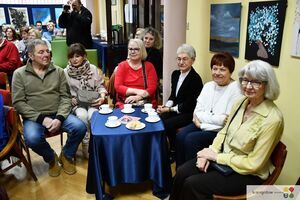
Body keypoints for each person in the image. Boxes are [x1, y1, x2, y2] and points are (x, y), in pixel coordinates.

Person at [170, 60, 284, 200]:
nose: (248, 86)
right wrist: (209, 153)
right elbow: (224, 132)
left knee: (192, 184)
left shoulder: (273, 119)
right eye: (245, 80)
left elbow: (254, 164)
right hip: (224, 160)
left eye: (256, 82)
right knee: (181, 172)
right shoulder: (241, 102)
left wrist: (216, 157)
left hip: (248, 174)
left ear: (267, 85)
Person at [12, 39, 86, 177]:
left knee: (80, 127)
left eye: (47, 51)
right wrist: (41, 119)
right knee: (32, 138)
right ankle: (51, 158)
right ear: (31, 56)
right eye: (41, 52)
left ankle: (66, 155)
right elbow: (18, 102)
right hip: (35, 118)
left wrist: (59, 117)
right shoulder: (19, 74)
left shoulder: (58, 71)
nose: (46, 54)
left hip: (58, 113)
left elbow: (65, 97)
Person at [175, 52, 242, 167]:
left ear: (230, 71)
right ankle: (180, 172)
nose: (217, 73)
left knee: (191, 140)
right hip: (203, 125)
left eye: (222, 69)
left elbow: (225, 122)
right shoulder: (208, 86)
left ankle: (192, 175)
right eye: (214, 69)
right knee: (180, 136)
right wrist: (213, 118)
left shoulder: (236, 89)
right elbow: (197, 112)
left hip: (219, 132)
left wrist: (201, 124)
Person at [157, 44, 203, 162]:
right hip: (175, 109)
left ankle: (173, 151)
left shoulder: (195, 79)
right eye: (179, 59)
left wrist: (170, 110)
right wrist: (165, 106)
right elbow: (173, 96)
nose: (181, 62)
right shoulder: (175, 74)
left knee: (167, 124)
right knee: (158, 119)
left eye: (185, 59)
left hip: (188, 113)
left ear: (192, 60)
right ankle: (162, 149)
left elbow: (190, 104)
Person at [64, 43, 107, 158]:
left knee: (93, 115)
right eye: (71, 57)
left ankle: (96, 144)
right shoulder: (65, 72)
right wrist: (71, 99)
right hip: (77, 104)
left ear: (84, 56)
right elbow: (64, 92)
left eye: (77, 56)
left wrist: (102, 97)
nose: (74, 59)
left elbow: (100, 86)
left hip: (93, 101)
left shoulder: (92, 68)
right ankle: (86, 145)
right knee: (82, 115)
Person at [114, 38, 158, 108]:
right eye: (130, 49)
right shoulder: (122, 65)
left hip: (145, 102)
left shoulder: (149, 66)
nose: (132, 52)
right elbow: (118, 87)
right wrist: (137, 91)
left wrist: (138, 97)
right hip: (125, 103)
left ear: (142, 51)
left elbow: (152, 88)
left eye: (136, 49)